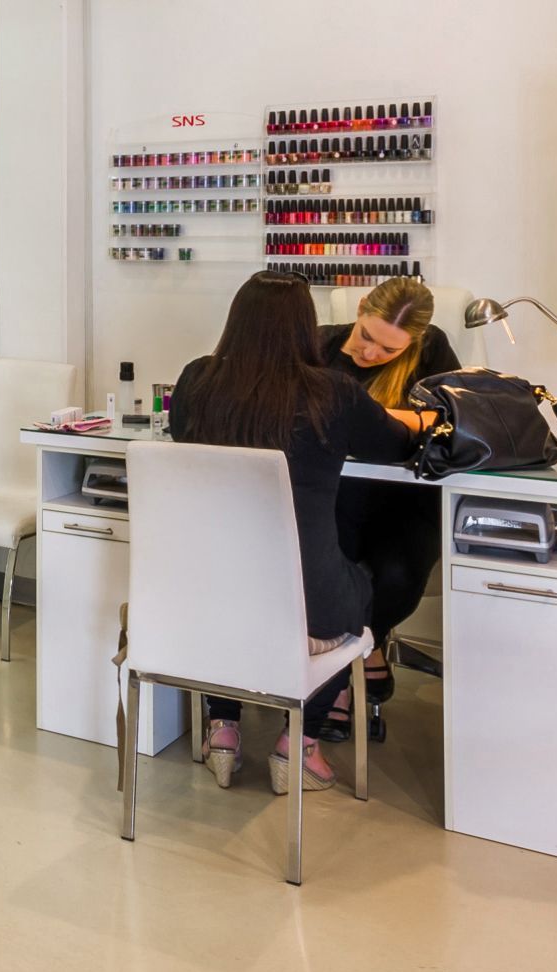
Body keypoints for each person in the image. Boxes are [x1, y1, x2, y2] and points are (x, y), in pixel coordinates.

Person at [165, 271, 426, 790]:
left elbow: (180, 436)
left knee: (238, 599)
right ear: (309, 327)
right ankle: (299, 744)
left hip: (213, 592)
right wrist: (424, 419)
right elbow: (395, 443)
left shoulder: (195, 379)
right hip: (308, 604)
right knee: (360, 588)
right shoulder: (333, 392)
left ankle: (222, 729)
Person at [316, 277, 461, 743]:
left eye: (389, 349)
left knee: (397, 574)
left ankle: (359, 650)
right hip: (336, 499)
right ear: (360, 308)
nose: (371, 353)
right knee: (330, 567)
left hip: (406, 504)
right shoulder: (319, 345)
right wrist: (396, 420)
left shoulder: (431, 349)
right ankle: (350, 670)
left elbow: (449, 423)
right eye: (366, 337)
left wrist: (358, 415)